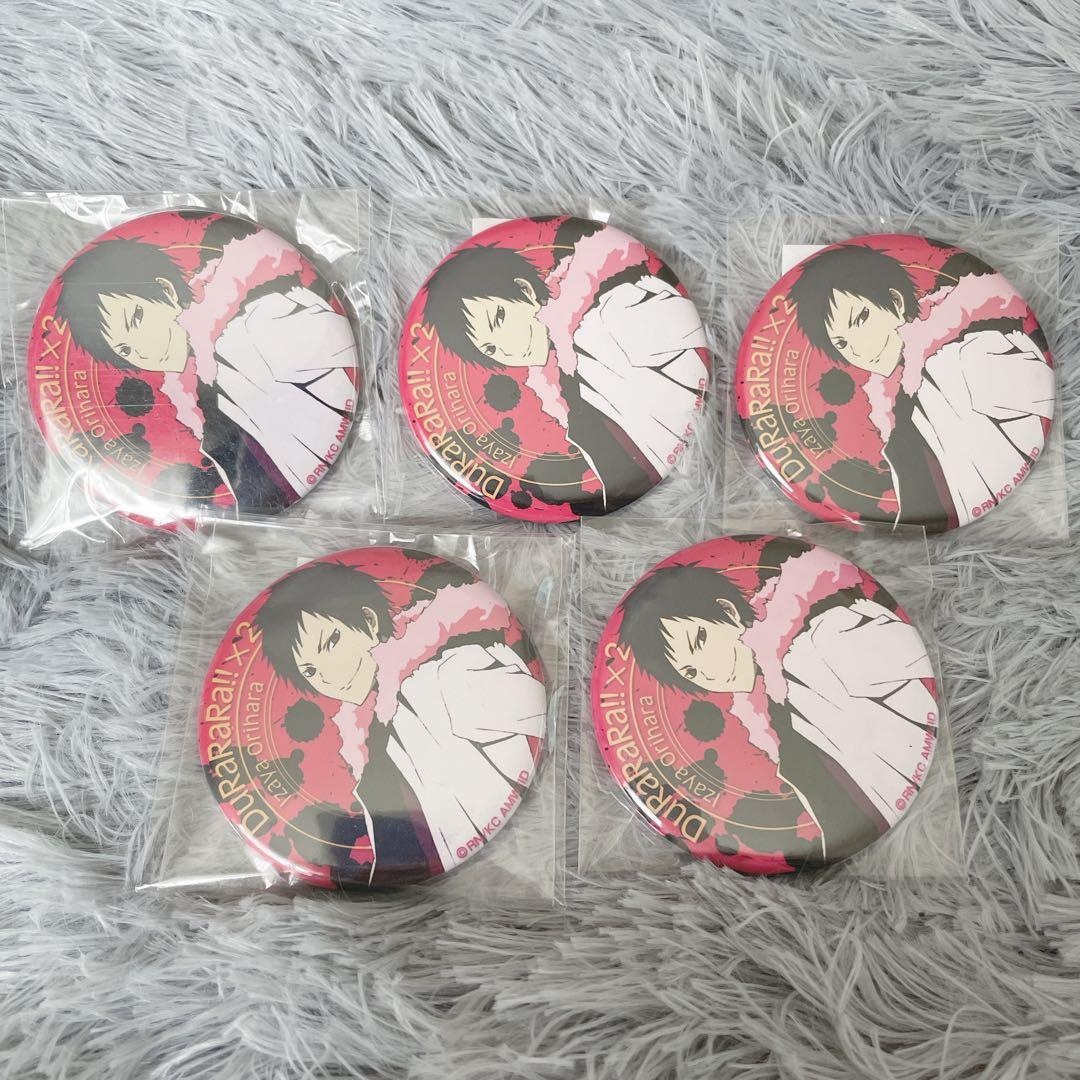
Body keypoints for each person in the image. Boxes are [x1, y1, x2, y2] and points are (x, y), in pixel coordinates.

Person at [617, 550, 936, 864]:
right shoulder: (774, 723)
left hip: (916, 826)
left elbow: (911, 660)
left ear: (728, 612)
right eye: (690, 672)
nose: (709, 672)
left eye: (700, 641)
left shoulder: (818, 643)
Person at [253, 560, 546, 880]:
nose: (326, 674)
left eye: (331, 643)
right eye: (309, 670)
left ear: (368, 622)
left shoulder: (445, 676)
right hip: (430, 889)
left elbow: (535, 716)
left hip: (498, 866)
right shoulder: (371, 746)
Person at [56, 218, 357, 510]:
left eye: (136, 318)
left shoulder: (251, 328)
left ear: (167, 292)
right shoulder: (202, 407)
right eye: (124, 349)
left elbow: (338, 347)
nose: (142, 348)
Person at [421, 220, 708, 512]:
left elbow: (692, 337)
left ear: (525, 291)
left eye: (499, 319)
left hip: (693, 474)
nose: (507, 348)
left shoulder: (605, 318)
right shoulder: (568, 397)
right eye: (490, 349)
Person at [788, 243, 1055, 528]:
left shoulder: (964, 357)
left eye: (861, 319)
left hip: (1011, 522)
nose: (857, 348)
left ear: (896, 303)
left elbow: (1039, 394)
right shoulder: (899, 412)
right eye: (841, 343)